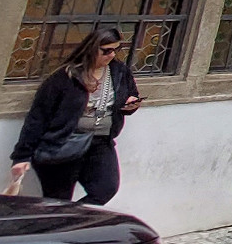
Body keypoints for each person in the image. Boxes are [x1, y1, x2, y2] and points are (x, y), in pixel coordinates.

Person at [9, 27, 142, 204]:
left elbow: (130, 94)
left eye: (116, 50)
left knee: (105, 189)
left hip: (100, 142)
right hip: (64, 143)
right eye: (106, 51)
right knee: (58, 200)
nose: (111, 55)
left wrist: (130, 105)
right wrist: (21, 157)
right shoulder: (65, 77)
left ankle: (72, 218)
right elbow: (38, 117)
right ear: (92, 48)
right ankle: (58, 224)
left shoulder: (119, 72)